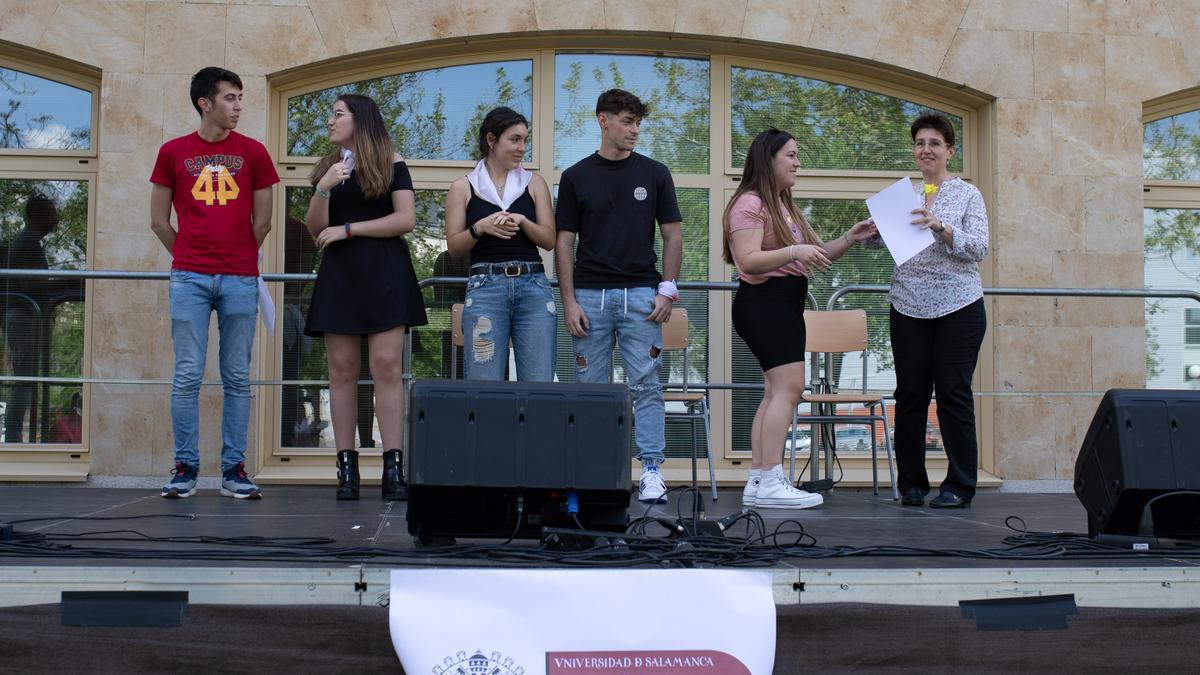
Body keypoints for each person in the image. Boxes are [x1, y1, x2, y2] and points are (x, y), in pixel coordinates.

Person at [725, 129, 874, 509]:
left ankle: (760, 480)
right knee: (790, 389)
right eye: (790, 155)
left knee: (775, 392)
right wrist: (794, 249)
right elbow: (747, 260)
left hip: (782, 304)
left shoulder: (781, 203)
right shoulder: (750, 203)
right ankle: (772, 478)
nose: (798, 162)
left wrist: (850, 237)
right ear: (768, 159)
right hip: (764, 303)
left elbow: (817, 255)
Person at [150, 67, 278, 499]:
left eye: (241, 97)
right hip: (188, 277)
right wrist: (188, 256)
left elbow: (264, 220)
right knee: (186, 374)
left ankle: (233, 471)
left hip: (240, 278)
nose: (238, 105)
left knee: (237, 376)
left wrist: (238, 255)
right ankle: (185, 468)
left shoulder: (255, 153)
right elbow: (158, 220)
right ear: (205, 103)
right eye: (230, 98)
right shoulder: (172, 152)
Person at [555, 89, 682, 504]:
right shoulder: (575, 176)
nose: (635, 130)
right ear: (603, 120)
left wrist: (667, 288)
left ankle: (650, 471)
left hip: (642, 297)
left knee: (647, 386)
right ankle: (595, 471)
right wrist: (569, 301)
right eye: (627, 121)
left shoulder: (655, 173)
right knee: (590, 388)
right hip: (589, 297)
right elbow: (563, 242)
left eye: (638, 122)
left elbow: (673, 234)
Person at [304, 93, 427, 501]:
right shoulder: (329, 168)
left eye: (337, 114)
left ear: (362, 120)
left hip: (384, 271)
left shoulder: (392, 161)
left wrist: (350, 229)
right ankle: (346, 468)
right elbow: (314, 228)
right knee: (341, 371)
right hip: (340, 275)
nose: (330, 121)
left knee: (387, 367)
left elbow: (405, 219)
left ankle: (393, 467)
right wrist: (322, 190)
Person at [868, 113, 989, 509]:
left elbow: (980, 249)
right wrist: (872, 233)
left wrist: (942, 227)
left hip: (959, 306)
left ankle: (959, 486)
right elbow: (888, 247)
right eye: (920, 143)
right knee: (910, 396)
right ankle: (912, 485)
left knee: (953, 394)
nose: (926, 150)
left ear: (950, 151)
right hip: (907, 306)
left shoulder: (967, 194)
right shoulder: (904, 197)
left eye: (935, 143)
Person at [444, 107, 556, 381]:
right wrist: (479, 228)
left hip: (533, 285)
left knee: (539, 382)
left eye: (524, 140)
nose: (522, 148)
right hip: (485, 287)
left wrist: (523, 221)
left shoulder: (535, 183)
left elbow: (550, 240)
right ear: (491, 139)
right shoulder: (463, 187)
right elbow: (455, 248)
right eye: (514, 139)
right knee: (484, 385)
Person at [2, 195, 78, 443]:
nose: (56, 220)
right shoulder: (27, 244)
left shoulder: (27, 243)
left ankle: (14, 439)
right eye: (51, 213)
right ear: (35, 216)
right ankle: (13, 440)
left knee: (26, 379)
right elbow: (33, 282)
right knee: (25, 379)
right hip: (23, 317)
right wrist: (67, 281)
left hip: (23, 317)